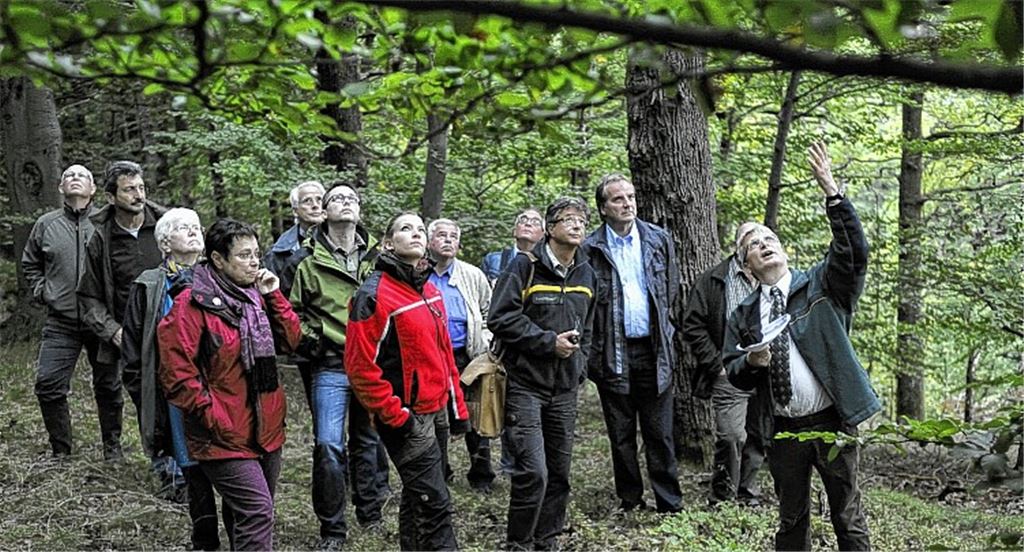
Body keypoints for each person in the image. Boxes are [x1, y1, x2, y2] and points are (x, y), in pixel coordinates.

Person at [724, 142, 877, 551]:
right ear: (746, 266)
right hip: (782, 431)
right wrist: (752, 361)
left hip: (832, 423)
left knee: (847, 514)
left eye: (770, 237)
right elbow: (732, 369)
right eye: (754, 244)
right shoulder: (742, 315)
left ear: (784, 249)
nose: (764, 244)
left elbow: (854, 252)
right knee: (791, 520)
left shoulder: (821, 285)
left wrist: (832, 192)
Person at [158, 218, 300, 551]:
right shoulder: (190, 303)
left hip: (266, 429)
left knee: (243, 515)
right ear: (218, 259)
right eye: (244, 255)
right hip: (221, 432)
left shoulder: (257, 296)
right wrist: (212, 416)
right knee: (257, 511)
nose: (254, 263)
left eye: (256, 254)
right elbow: (177, 374)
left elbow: (293, 340)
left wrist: (274, 296)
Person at [345, 211, 469, 551]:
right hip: (407, 417)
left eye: (419, 229)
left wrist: (457, 405)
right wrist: (395, 415)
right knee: (436, 505)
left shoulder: (429, 289)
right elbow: (359, 367)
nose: (415, 234)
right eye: (405, 229)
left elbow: (444, 355)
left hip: (437, 409)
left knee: (421, 499)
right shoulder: (372, 295)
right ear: (388, 243)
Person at [488, 197, 597, 550]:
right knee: (533, 473)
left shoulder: (587, 272)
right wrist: (547, 342)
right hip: (525, 385)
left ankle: (546, 540)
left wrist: (580, 366)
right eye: (568, 219)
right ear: (550, 229)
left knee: (560, 474)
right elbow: (501, 318)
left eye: (582, 220)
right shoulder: (524, 267)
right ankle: (518, 543)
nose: (577, 225)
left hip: (565, 389)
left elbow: (591, 326)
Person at [286, 184, 390, 548]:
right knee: (329, 444)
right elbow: (293, 312)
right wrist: (315, 340)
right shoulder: (307, 260)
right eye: (337, 199)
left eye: (352, 199)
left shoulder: (380, 257)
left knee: (368, 439)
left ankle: (370, 512)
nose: (345, 204)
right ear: (325, 212)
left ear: (360, 211)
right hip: (330, 364)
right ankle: (332, 528)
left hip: (371, 364)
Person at [121, 209, 223, 550]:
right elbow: (134, 348)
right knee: (192, 466)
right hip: (174, 390)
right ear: (165, 242)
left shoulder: (219, 276)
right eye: (183, 228)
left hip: (221, 388)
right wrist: (143, 392)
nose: (193, 232)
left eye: (196, 227)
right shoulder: (148, 284)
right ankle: (205, 537)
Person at [583, 174, 684, 513]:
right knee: (621, 433)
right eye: (618, 199)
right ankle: (630, 499)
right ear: (603, 208)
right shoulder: (590, 247)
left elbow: (669, 292)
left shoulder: (658, 239)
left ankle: (669, 502)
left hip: (654, 349)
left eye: (630, 196)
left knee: (660, 432)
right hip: (612, 350)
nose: (627, 203)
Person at [77, 160, 166, 462]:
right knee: (110, 387)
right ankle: (113, 447)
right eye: (129, 190)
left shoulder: (165, 225)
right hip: (120, 329)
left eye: (141, 188)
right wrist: (111, 330)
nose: (138, 195)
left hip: (166, 328)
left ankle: (165, 460)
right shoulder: (100, 237)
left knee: (160, 396)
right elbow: (88, 295)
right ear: (112, 197)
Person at [22, 164, 108, 458]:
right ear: (60, 188)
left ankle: (113, 449)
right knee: (48, 384)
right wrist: (42, 290)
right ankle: (61, 451)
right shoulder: (46, 224)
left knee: (108, 386)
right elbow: (30, 263)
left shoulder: (104, 222)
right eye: (69, 175)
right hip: (61, 322)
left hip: (101, 322)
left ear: (93, 189)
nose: (74, 179)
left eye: (82, 176)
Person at [683, 221, 767, 506]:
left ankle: (747, 493)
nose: (759, 245)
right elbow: (692, 324)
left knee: (758, 435)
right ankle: (722, 496)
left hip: (766, 373)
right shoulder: (713, 280)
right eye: (751, 240)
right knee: (731, 436)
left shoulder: (775, 278)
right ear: (739, 247)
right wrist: (715, 364)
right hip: (729, 373)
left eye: (763, 240)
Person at [427, 218, 495, 492]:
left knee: (476, 415)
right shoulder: (419, 274)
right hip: (432, 358)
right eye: (441, 235)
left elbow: (490, 312)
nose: (447, 240)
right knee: (437, 418)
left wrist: (486, 342)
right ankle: (440, 473)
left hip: (468, 356)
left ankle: (482, 476)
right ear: (429, 241)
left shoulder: (472, 274)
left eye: (453, 236)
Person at [263, 180, 326, 405]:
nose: (315, 205)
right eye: (307, 201)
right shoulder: (279, 253)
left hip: (348, 337)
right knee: (320, 406)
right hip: (307, 341)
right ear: (295, 210)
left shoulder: (349, 240)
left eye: (319, 200)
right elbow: (275, 301)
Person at [480, 208, 544, 284]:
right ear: (514, 231)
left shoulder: (546, 266)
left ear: (543, 235)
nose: (528, 224)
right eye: (523, 220)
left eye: (535, 222)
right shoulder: (494, 260)